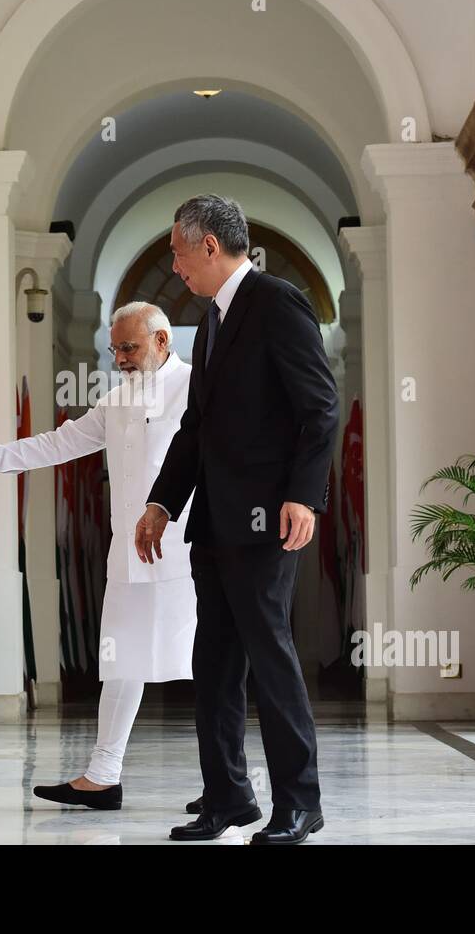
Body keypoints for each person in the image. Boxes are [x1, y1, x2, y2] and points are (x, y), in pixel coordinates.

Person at [0, 302, 198, 809]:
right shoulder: (115, 402)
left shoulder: (198, 389)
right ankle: (102, 776)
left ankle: (225, 784)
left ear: (162, 342)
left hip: (190, 554)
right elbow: (56, 444)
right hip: (129, 554)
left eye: (130, 348)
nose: (121, 359)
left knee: (212, 665)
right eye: (115, 350)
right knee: (120, 662)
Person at [135, 194, 338, 845]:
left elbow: (320, 407)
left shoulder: (276, 303)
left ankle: (300, 803)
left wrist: (304, 496)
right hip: (214, 529)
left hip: (264, 524)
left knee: (270, 658)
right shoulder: (213, 322)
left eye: (177, 248)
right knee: (215, 663)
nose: (173, 261)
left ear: (209, 246)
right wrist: (162, 502)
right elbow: (197, 428)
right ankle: (229, 797)